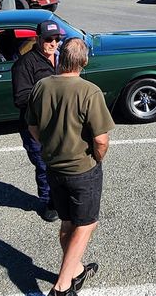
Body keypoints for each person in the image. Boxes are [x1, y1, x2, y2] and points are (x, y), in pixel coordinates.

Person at [27, 38, 114, 294]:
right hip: (82, 170)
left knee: (67, 224)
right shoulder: (89, 91)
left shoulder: (41, 86)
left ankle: (76, 271)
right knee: (86, 225)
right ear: (84, 61)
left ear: (60, 58)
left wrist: (50, 144)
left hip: (54, 169)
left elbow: (32, 127)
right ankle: (62, 287)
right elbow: (101, 139)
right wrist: (98, 157)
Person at [12, 21, 64, 223]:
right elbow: (21, 98)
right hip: (34, 127)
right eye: (48, 40)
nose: (53, 44)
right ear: (38, 39)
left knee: (59, 163)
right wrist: (50, 98)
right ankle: (48, 202)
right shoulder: (24, 64)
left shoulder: (61, 59)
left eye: (57, 39)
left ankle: (59, 197)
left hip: (58, 124)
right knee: (43, 165)